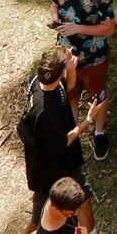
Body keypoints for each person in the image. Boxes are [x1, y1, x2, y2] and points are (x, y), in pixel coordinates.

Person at [52, 0, 117, 161]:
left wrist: (77, 28)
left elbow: (109, 28)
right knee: (70, 94)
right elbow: (54, 5)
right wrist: (55, 18)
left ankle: (99, 133)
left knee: (97, 94)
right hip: (68, 56)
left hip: (93, 57)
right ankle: (73, 133)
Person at [17, 50, 87, 217]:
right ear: (59, 74)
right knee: (40, 216)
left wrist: (71, 68)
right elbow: (60, 146)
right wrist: (87, 121)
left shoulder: (41, 82)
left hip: (59, 162)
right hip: (50, 172)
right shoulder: (49, 112)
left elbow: (68, 87)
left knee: (84, 199)